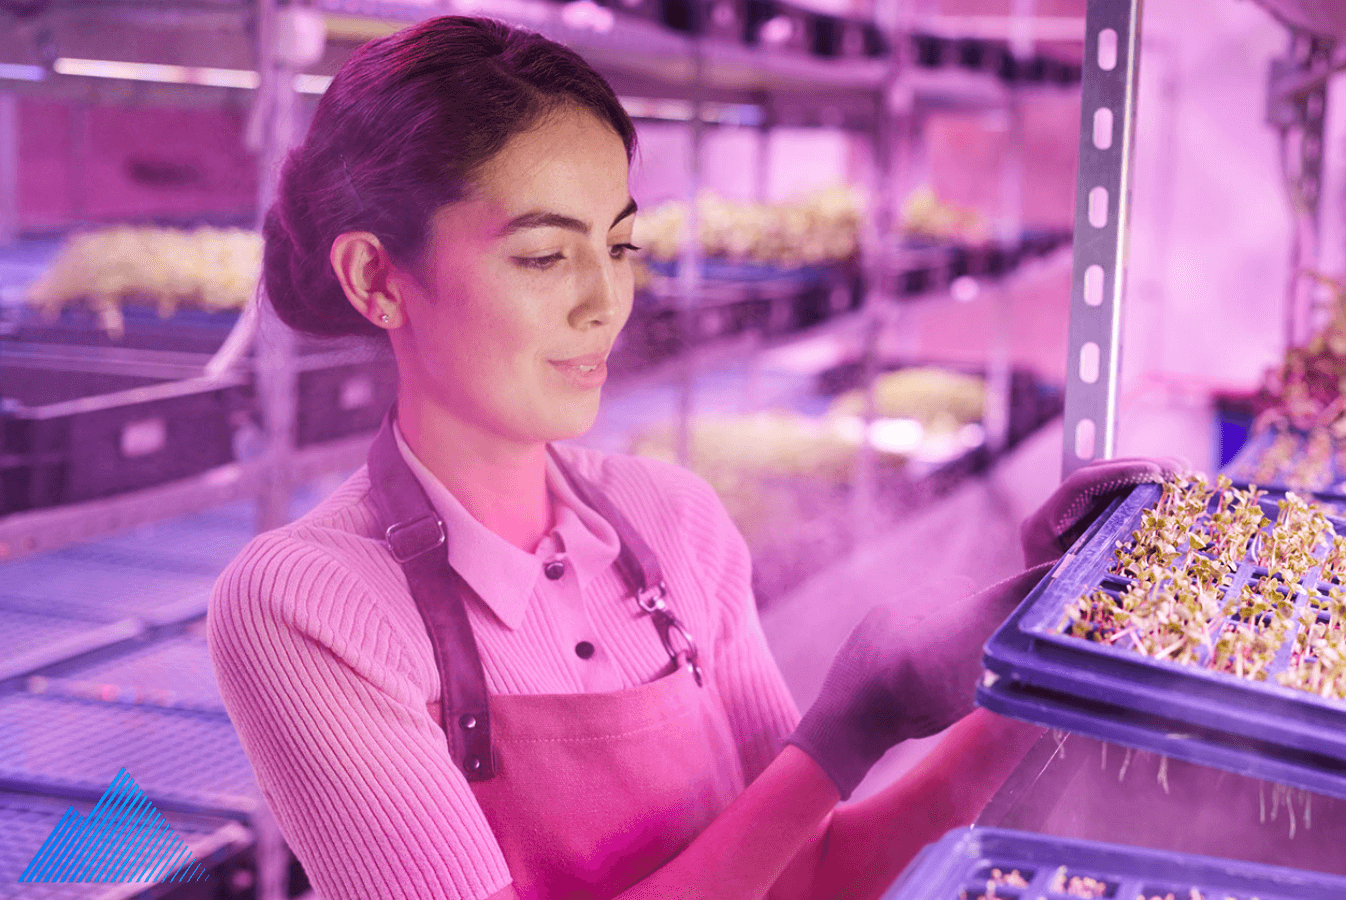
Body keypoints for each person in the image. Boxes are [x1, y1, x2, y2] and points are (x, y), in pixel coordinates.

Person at [207, 15, 1173, 900]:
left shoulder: (675, 521)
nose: (605, 302)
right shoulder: (308, 603)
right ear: (378, 277)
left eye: (620, 248)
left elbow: (813, 877)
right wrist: (848, 726)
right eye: (545, 257)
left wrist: (1041, 665)